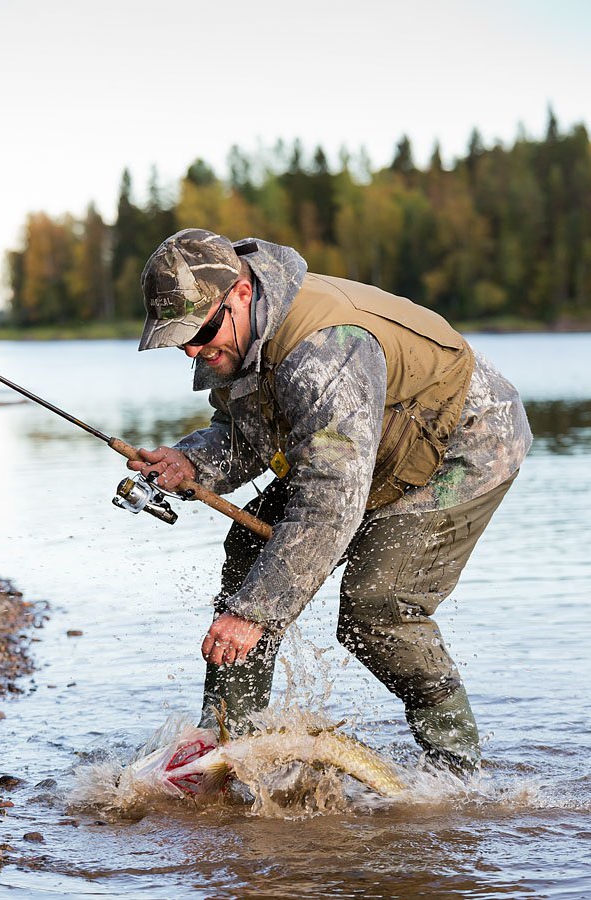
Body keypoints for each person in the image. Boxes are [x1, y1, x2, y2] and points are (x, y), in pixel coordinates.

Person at [128, 228, 532, 775]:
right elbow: (246, 436)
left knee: (377, 606)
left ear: (241, 295)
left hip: (466, 443)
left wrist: (252, 613)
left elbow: (328, 503)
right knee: (253, 544)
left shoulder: (322, 351)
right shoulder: (239, 336)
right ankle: (225, 741)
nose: (195, 351)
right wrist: (189, 463)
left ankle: (457, 777)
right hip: (369, 446)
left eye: (199, 332)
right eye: (182, 341)